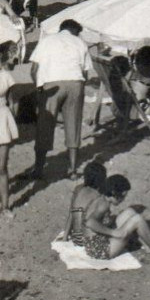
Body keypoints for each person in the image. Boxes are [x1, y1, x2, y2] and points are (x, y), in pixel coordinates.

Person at [29, 18, 96, 180]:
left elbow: (34, 69)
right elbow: (86, 73)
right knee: (73, 124)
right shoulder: (80, 43)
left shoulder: (47, 40)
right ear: (75, 31)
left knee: (45, 125)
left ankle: (38, 169)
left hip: (52, 84)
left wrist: (39, 87)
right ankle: (72, 170)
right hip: (75, 83)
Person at [79, 174, 150, 260]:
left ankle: (148, 245)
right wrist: (113, 232)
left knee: (129, 212)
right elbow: (90, 222)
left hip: (94, 243)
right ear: (114, 193)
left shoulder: (101, 198)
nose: (123, 199)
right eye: (123, 196)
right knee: (137, 219)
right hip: (99, 249)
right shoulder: (103, 205)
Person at [0, 40, 17, 216]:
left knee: (1, 167)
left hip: (1, 119)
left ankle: (5, 206)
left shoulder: (6, 76)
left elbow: (12, 104)